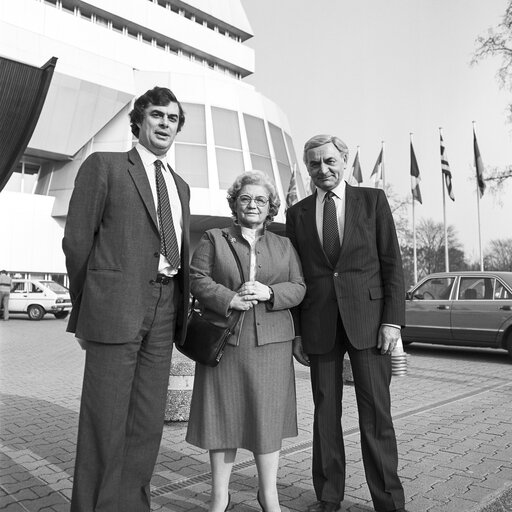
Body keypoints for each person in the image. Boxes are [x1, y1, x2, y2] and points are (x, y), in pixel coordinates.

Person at [62, 86, 190, 512]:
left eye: (172, 118)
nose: (165, 124)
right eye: (157, 115)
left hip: (165, 305)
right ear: (139, 120)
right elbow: (78, 242)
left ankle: (133, 505)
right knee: (105, 419)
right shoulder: (106, 166)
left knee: (146, 420)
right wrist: (86, 308)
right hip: (114, 307)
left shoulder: (180, 185)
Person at [286, 134, 408, 512]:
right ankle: (328, 495)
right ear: (307, 168)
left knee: (376, 414)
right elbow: (296, 275)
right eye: (313, 164)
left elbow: (392, 265)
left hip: (370, 325)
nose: (322, 169)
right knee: (325, 415)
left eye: (329, 161)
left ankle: (388, 499)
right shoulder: (298, 213)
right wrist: (297, 332)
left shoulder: (372, 202)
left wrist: (392, 322)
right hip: (319, 325)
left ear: (343, 160)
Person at [186, 170, 306, 512]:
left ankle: (268, 494)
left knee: (267, 420)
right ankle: (219, 496)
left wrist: (270, 292)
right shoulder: (213, 237)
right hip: (225, 342)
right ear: (234, 204)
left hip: (272, 344)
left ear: (271, 207)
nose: (253, 204)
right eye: (245, 198)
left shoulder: (284, 245)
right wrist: (229, 299)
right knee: (222, 419)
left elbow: (299, 287)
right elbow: (197, 279)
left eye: (260, 199)